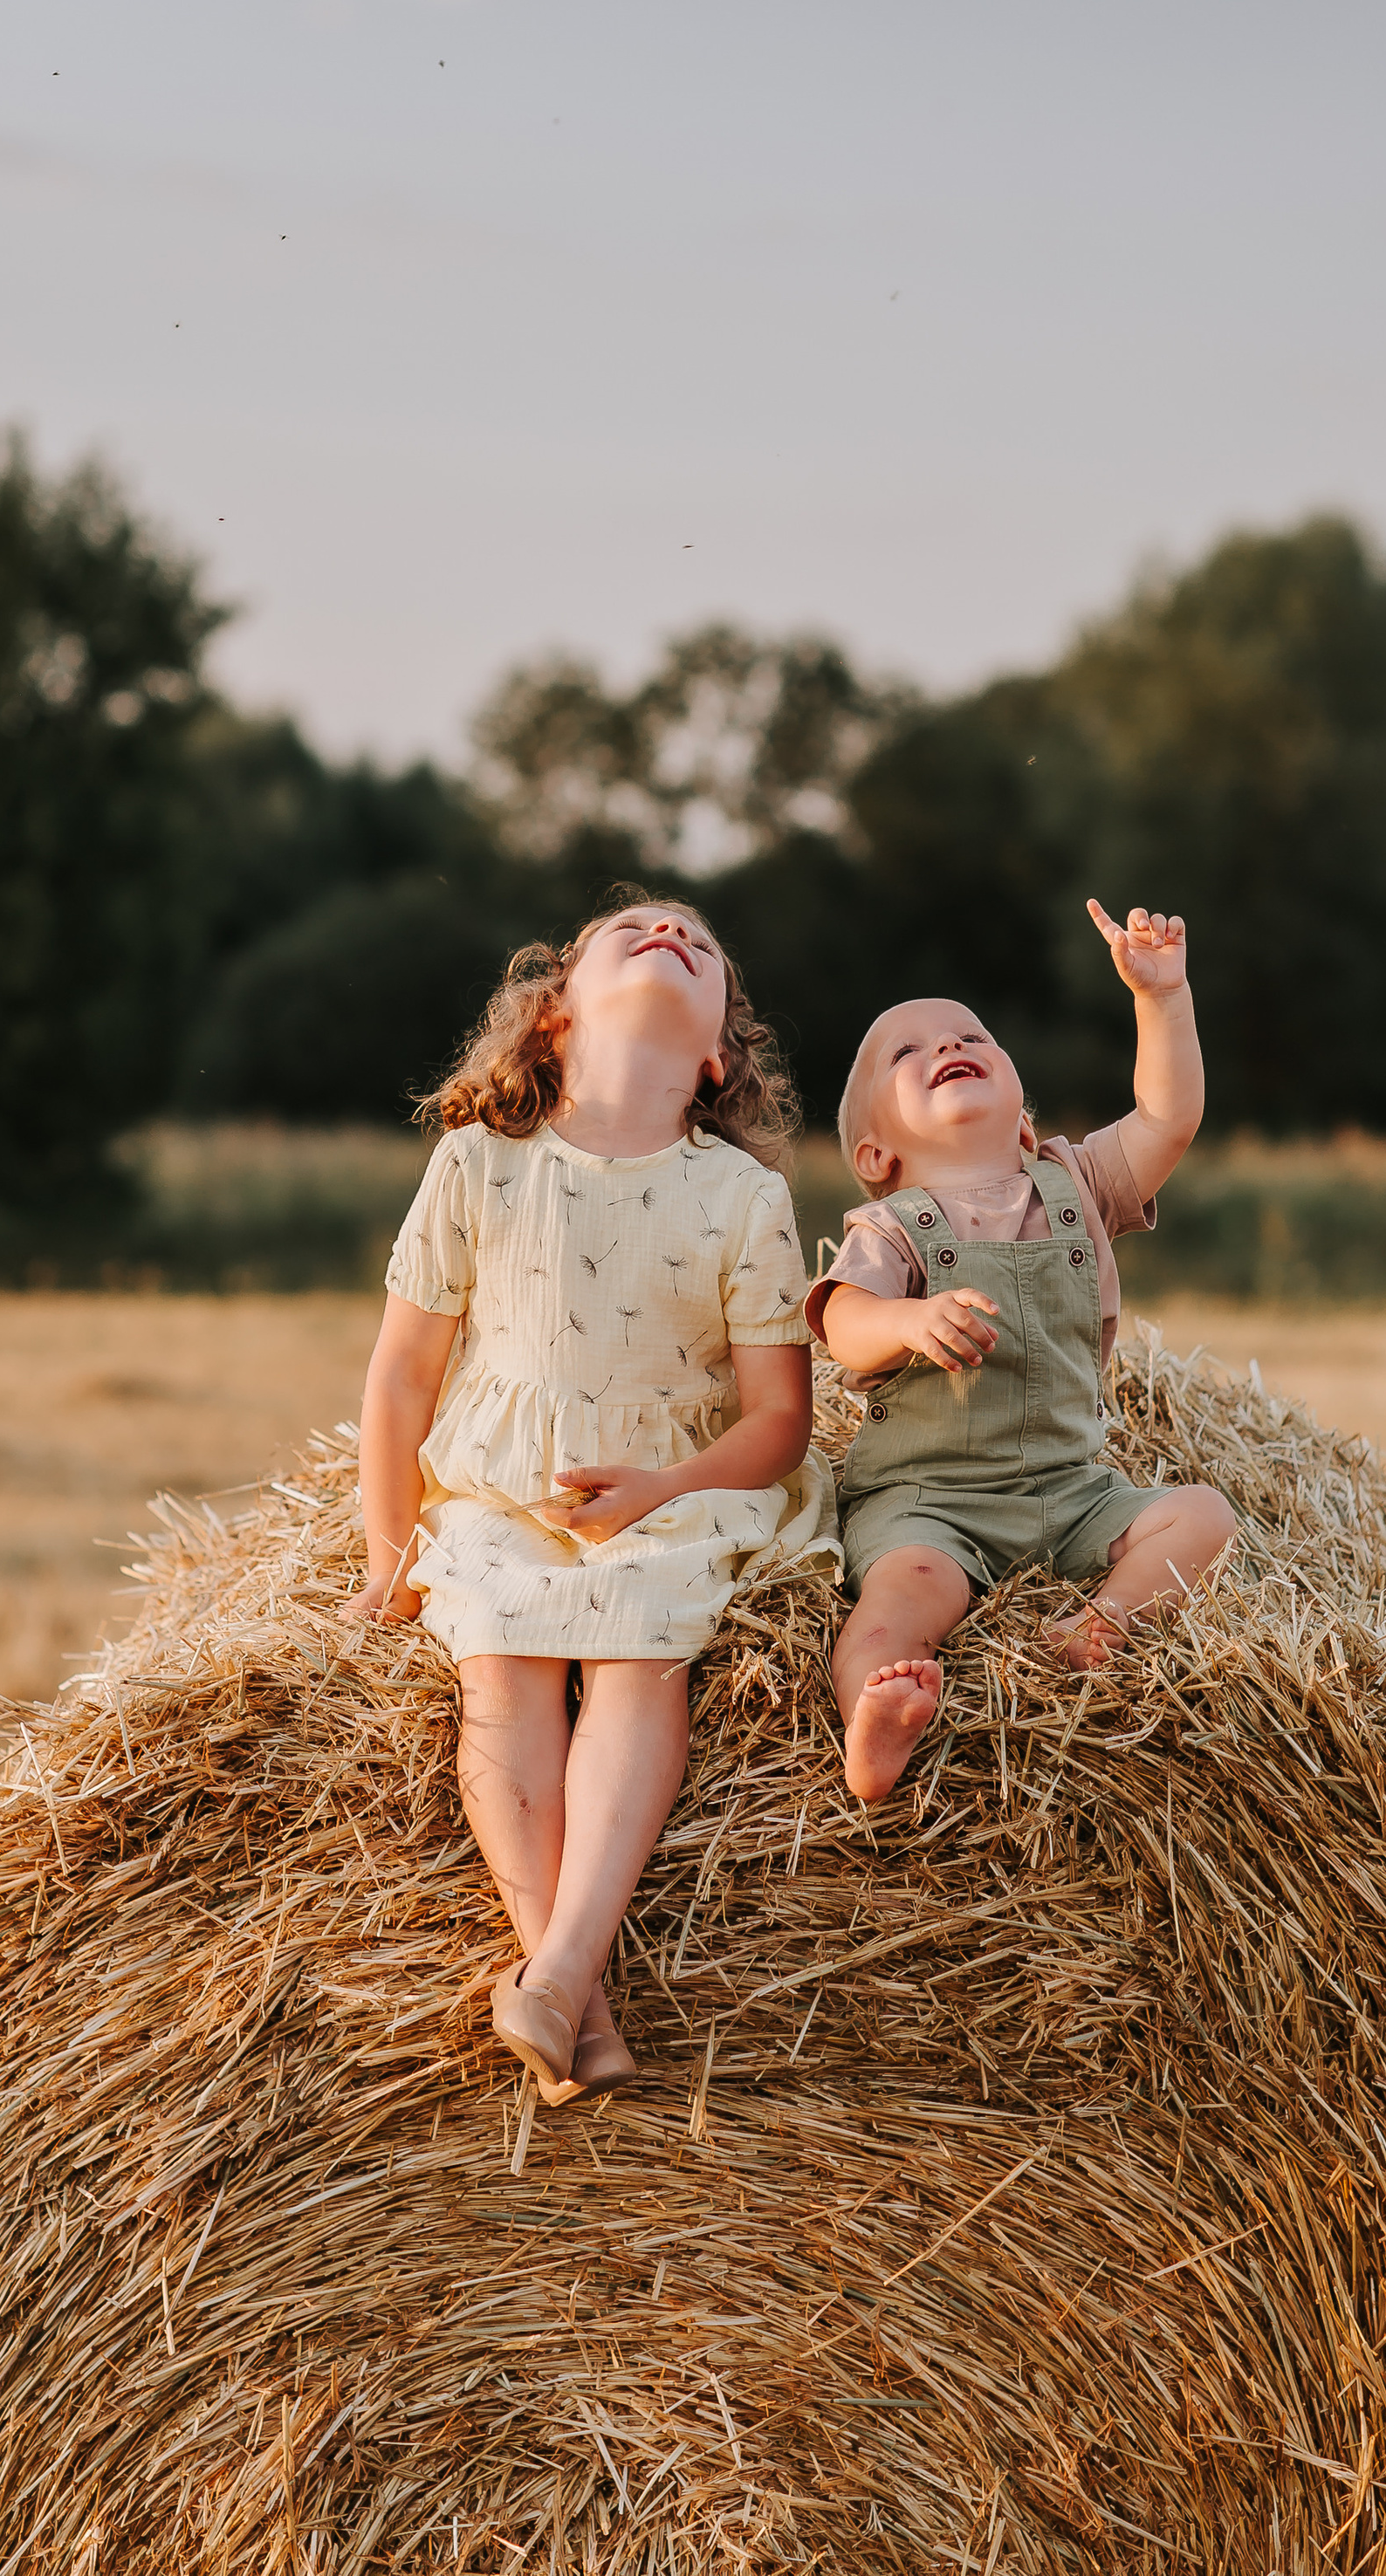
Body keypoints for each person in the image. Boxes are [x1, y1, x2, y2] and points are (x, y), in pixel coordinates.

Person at [354, 898, 830, 2106]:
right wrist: (382, 1544)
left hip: (672, 1489)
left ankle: (560, 1966)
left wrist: (666, 1487)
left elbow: (780, 1424)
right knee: (499, 1661)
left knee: (639, 1653)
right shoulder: (478, 1165)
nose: (670, 929)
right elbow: (403, 1373)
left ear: (718, 1053)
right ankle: (577, 1998)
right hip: (499, 1488)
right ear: (554, 1019)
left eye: (702, 942)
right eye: (635, 928)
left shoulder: (741, 1198)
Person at [810, 897, 1235, 1803]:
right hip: (931, 1502)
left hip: (1071, 1491)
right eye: (907, 1051)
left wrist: (1162, 999)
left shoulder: (1075, 1182)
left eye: (969, 1035)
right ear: (875, 1153)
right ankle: (873, 1720)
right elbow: (842, 1319)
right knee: (899, 1601)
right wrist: (905, 1324)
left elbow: (1168, 1119)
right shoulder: (889, 1227)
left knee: (1202, 1515)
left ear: (1018, 1114)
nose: (944, 1047)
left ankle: (1100, 1626)